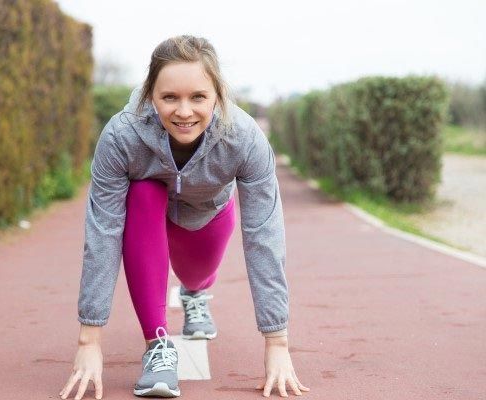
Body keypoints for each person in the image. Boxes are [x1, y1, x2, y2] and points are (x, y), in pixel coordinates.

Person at [59, 35, 310, 399]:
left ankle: (195, 295)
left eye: (198, 97)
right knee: (144, 190)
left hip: (207, 217)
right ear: (150, 96)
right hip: (149, 221)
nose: (184, 111)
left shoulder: (243, 138)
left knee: (196, 275)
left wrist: (277, 343)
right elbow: (103, 231)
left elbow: (263, 233)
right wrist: (88, 339)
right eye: (169, 97)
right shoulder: (122, 135)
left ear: (216, 96)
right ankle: (158, 347)